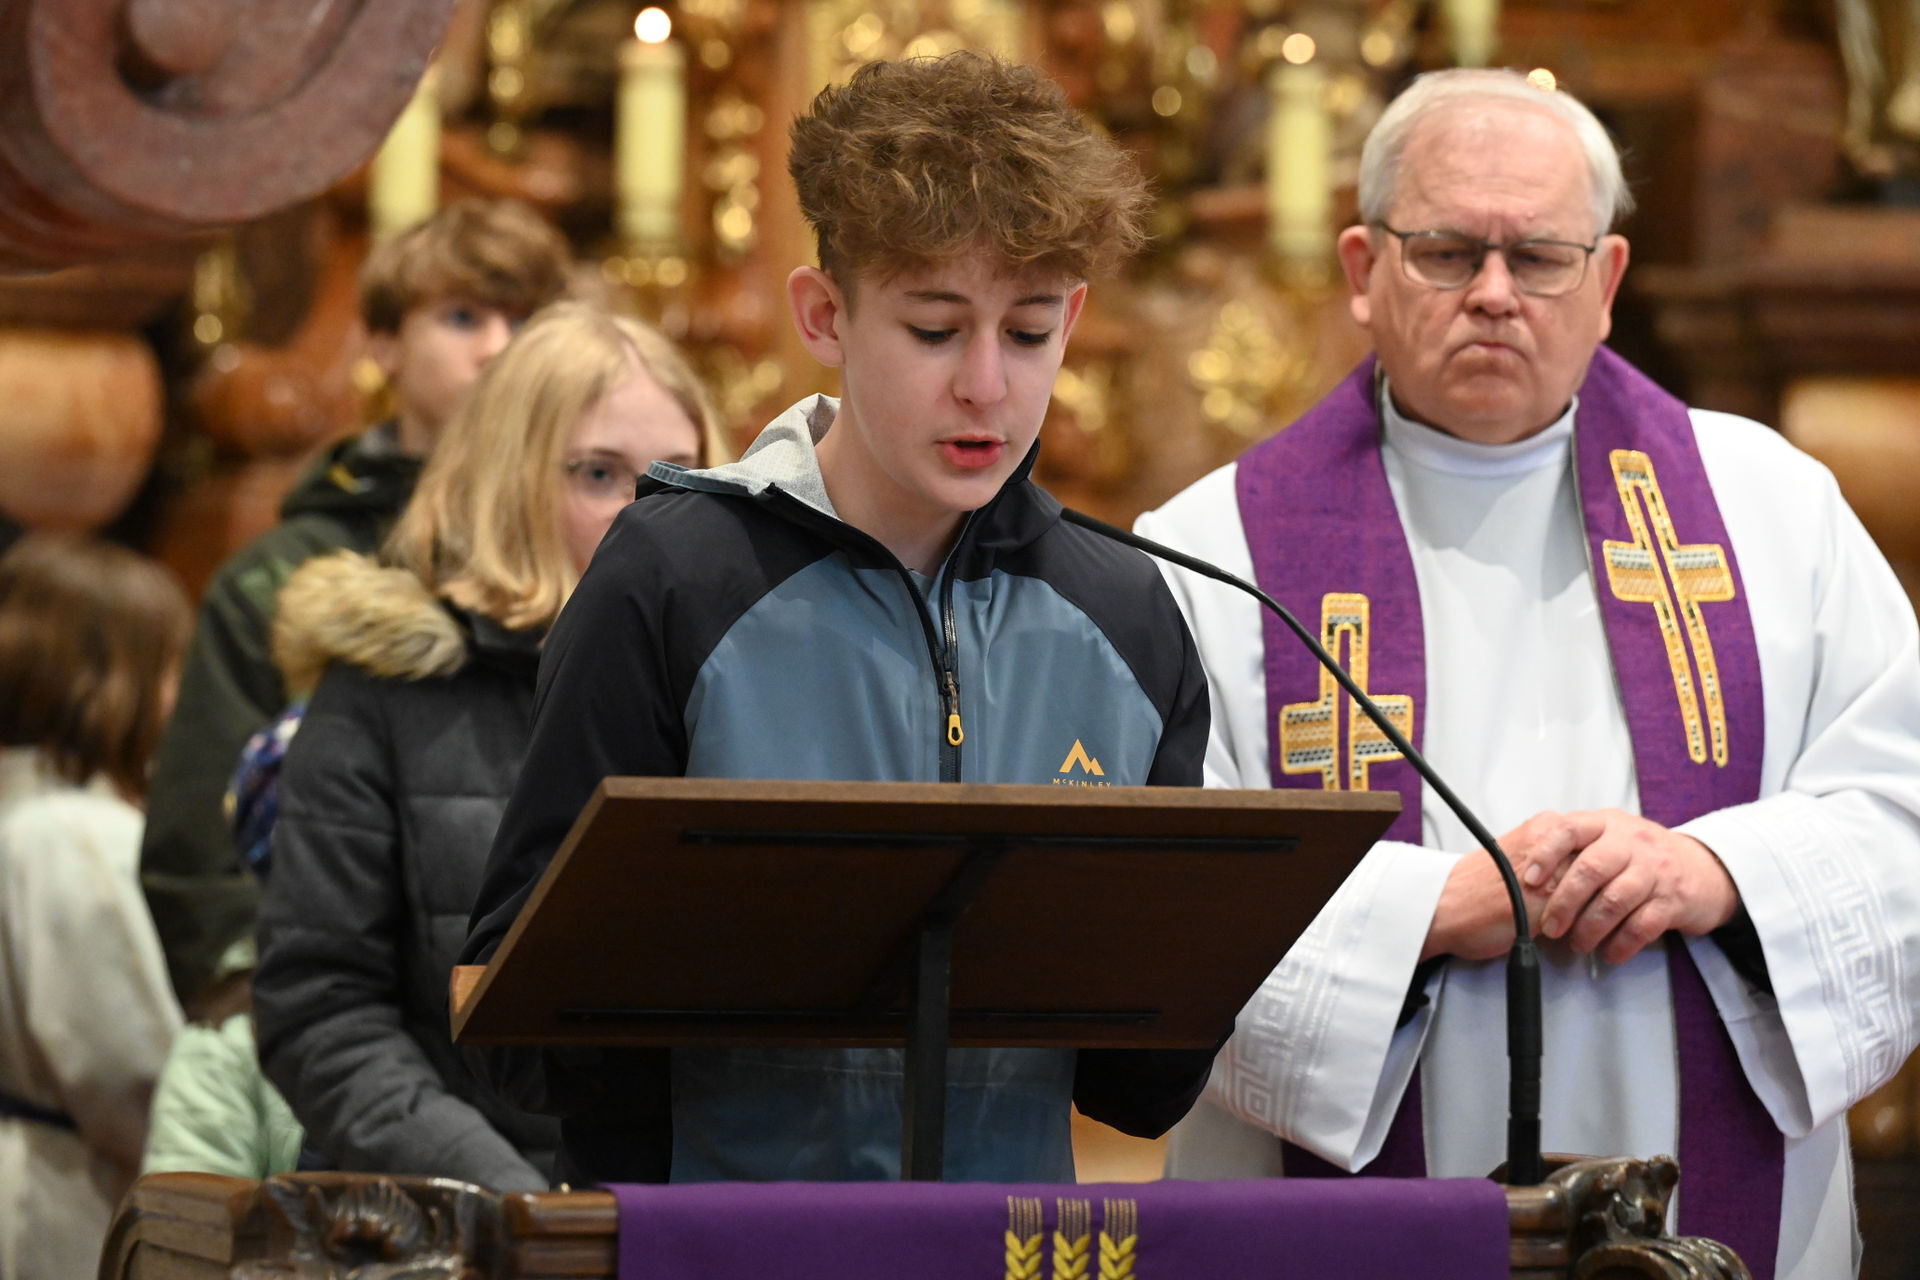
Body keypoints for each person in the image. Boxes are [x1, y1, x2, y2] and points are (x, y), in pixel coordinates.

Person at [1135, 68, 1920, 1280]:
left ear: (1605, 281)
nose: (1495, 293)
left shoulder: (1776, 508)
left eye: (1540, 257)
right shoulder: (1211, 551)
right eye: (1449, 251)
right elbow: (1155, 891)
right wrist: (1430, 912)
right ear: (1363, 269)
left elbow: (1901, 812)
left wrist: (1716, 870)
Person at [461, 52, 1214, 1187]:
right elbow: (518, 1021)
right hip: (721, 1244)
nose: (986, 385)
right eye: (934, 330)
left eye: (1028, 333)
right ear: (825, 315)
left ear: (1075, 321)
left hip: (1002, 1248)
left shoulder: (1126, 609)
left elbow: (1138, 1085)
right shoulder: (675, 578)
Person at [250, 301, 724, 1190]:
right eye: (598, 474)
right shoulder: (384, 691)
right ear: (507, 481)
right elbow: (320, 1012)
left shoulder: (734, 688)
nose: (645, 516)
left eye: (677, 479)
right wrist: (518, 1211)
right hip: (457, 1216)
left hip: (687, 1215)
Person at [141, 197, 575, 1009]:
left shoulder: (586, 549)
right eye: (462, 317)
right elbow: (198, 856)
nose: (497, 348)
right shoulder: (278, 575)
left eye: (524, 323)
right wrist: (282, 1016)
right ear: (383, 344)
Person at [0, 536, 192, 1280]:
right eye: (171, 670)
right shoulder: (76, 835)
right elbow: (122, 1061)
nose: (179, 698)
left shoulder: (25, 813)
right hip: (67, 1199)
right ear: (110, 682)